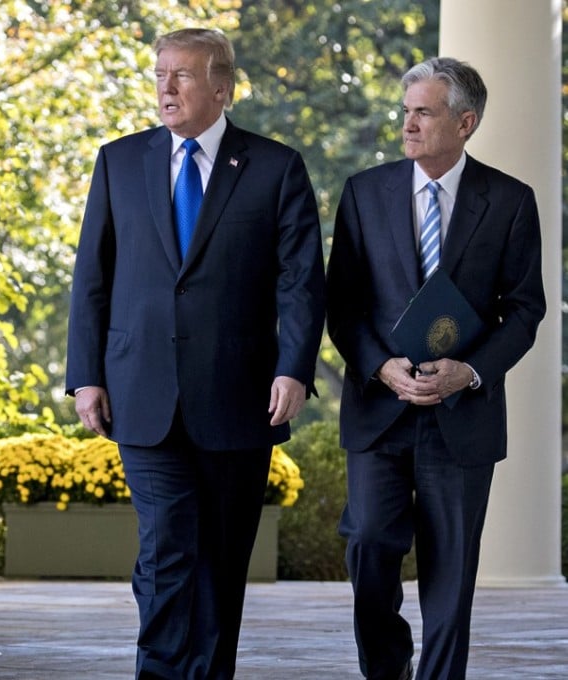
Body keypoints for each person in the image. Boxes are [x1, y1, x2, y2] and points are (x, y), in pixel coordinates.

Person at [65, 28, 325, 679]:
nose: (166, 87)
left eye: (181, 75)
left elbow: (300, 282)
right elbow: (91, 278)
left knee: (220, 559)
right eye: (160, 74)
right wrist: (85, 376)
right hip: (142, 392)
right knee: (167, 549)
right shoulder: (118, 161)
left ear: (221, 87)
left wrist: (293, 366)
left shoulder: (275, 167)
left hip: (239, 399)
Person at [325, 57, 545, 680]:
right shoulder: (364, 193)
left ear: (465, 122)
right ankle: (386, 670)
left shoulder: (509, 201)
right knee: (368, 542)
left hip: (462, 414)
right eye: (405, 112)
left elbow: (526, 309)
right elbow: (342, 304)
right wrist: (381, 366)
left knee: (451, 576)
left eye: (424, 112)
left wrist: (469, 373)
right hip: (380, 409)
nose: (409, 124)